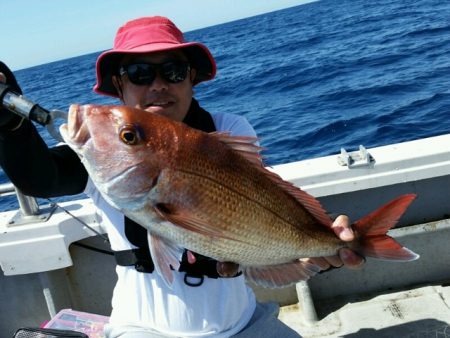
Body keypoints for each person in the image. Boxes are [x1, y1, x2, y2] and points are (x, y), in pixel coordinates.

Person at [0, 16, 363, 338]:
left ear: (192, 78)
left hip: (245, 323)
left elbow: (263, 218)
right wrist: (11, 123)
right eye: (140, 74)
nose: (158, 84)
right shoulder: (103, 149)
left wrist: (320, 246)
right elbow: (40, 178)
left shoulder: (228, 130)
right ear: (119, 85)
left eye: (172, 70)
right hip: (141, 329)